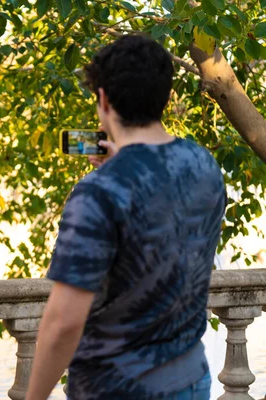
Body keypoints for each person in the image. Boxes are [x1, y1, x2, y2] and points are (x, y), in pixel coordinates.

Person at [26, 35, 226, 400]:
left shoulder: (99, 191)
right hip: (192, 380)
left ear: (103, 99)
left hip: (118, 387)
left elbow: (63, 324)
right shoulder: (204, 165)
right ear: (165, 97)